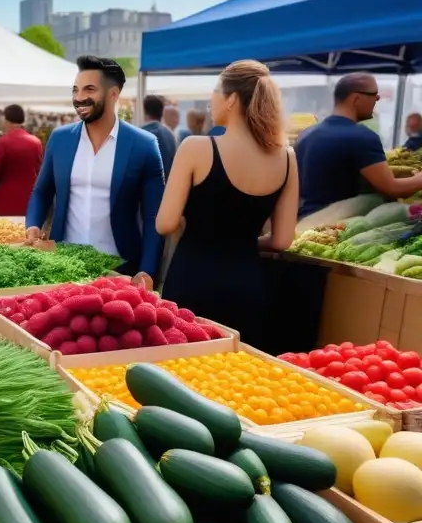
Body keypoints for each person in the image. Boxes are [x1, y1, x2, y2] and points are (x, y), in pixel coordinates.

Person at [157, 60, 299, 347]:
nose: (211, 100)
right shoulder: (287, 157)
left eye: (215, 91)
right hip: (247, 285)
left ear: (232, 99)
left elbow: (165, 223)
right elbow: (283, 240)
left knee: (181, 373)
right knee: (233, 380)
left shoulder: (196, 148)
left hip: (192, 280)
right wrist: (239, 240)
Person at [25, 56, 165, 280]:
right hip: (63, 265)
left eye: (89, 89)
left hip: (121, 269)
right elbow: (42, 191)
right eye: (75, 90)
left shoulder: (144, 145)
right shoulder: (59, 139)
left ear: (113, 94)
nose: (79, 98)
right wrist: (32, 224)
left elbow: (153, 216)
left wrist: (147, 271)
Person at [296, 73, 422, 217]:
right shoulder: (362, 137)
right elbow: (391, 188)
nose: (377, 100)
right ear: (356, 98)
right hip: (335, 226)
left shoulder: (306, 134)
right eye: (374, 95)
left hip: (302, 220)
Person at [0, 104, 43, 216]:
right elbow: (39, 170)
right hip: (29, 199)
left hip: (6, 199)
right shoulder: (36, 142)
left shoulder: (2, 143)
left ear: (7, 120)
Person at [142, 95, 178, 181]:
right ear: (162, 112)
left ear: (145, 112)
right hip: (168, 188)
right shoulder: (169, 134)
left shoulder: (142, 134)